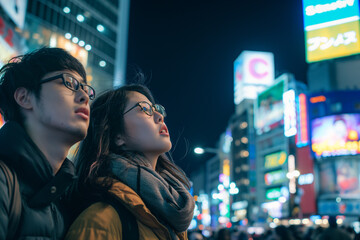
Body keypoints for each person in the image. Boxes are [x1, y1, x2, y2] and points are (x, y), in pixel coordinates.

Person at [65, 84, 195, 239]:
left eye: (157, 109)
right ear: (117, 136)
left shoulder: (170, 207)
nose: (159, 116)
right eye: (145, 109)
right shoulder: (101, 219)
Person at [0, 47, 95, 239]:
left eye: (85, 89)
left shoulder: (66, 198)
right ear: (24, 97)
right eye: (70, 83)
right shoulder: (4, 179)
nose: (84, 96)